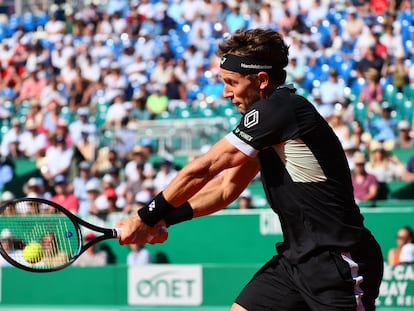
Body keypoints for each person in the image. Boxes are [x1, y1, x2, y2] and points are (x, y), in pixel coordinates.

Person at [115, 29, 383, 311]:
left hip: (338, 261)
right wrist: (165, 220)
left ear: (262, 80)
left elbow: (204, 168)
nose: (225, 93)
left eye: (232, 83)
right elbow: (224, 188)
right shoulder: (269, 123)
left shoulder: (282, 109)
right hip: (296, 261)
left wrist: (145, 216)